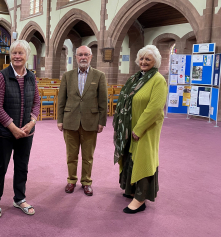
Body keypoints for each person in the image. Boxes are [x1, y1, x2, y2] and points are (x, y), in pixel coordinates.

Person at [113, 45, 168, 214]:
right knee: (130, 156)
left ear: (155, 61)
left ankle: (140, 198)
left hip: (146, 129)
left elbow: (155, 108)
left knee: (143, 159)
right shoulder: (135, 78)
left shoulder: (158, 79)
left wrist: (139, 128)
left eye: (148, 59)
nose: (143, 62)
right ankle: (131, 189)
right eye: (141, 59)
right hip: (130, 126)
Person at [0, 40, 40, 218]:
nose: (17, 56)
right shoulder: (2, 76)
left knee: (22, 166)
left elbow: (36, 102)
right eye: (14, 53)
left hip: (26, 131)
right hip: (3, 132)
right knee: (0, 166)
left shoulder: (32, 77)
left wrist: (32, 122)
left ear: (27, 56)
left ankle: (19, 198)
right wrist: (12, 127)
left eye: (21, 53)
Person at [57, 45, 108, 196]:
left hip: (90, 121)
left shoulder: (99, 76)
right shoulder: (68, 75)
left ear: (91, 57)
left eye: (86, 54)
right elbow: (61, 100)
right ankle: (71, 180)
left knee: (88, 156)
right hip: (70, 121)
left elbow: (103, 102)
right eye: (80, 55)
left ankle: (86, 182)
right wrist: (60, 120)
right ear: (76, 57)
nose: (83, 57)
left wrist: (102, 122)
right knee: (71, 155)